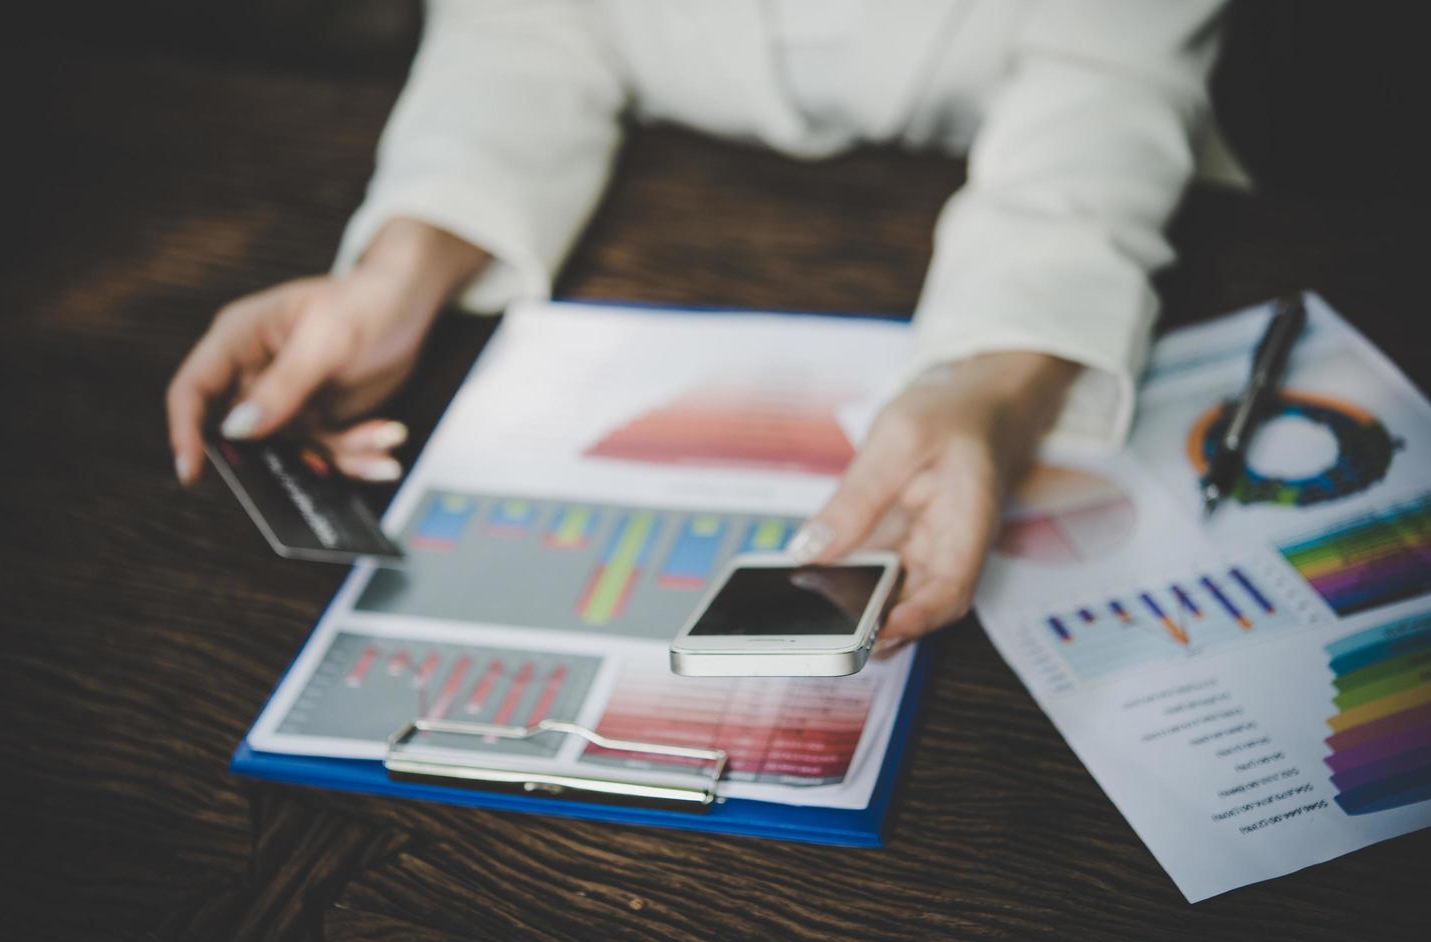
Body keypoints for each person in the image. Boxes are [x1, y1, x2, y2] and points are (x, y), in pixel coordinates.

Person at [166, 0, 1227, 646]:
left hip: (1030, 201)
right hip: (672, 209)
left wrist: (998, 374)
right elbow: (520, 26)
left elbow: (1107, 86)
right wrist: (404, 266)